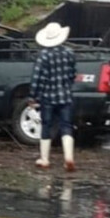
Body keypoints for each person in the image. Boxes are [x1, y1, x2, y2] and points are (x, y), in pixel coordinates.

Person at [30, 22, 78, 172]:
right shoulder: (70, 53)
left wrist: (33, 96)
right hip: (65, 96)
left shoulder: (43, 56)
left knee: (46, 125)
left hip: (48, 97)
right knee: (66, 126)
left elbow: (37, 78)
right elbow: (73, 74)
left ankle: (44, 159)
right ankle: (68, 157)